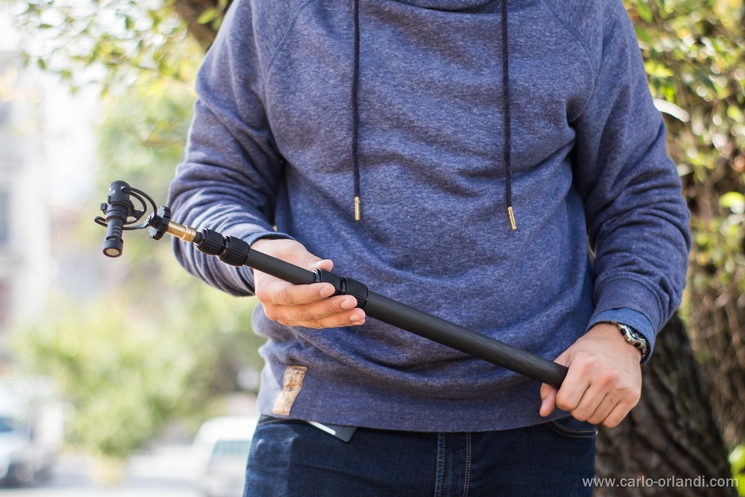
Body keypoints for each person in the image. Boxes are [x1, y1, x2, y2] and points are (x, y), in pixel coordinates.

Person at [168, 0, 691, 494]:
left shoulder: (581, 13)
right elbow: (209, 189)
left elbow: (642, 202)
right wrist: (258, 256)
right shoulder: (276, 12)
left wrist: (622, 330)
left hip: (536, 430)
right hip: (324, 432)